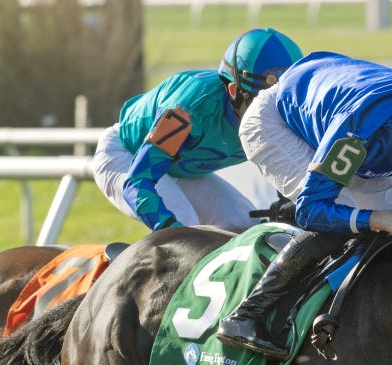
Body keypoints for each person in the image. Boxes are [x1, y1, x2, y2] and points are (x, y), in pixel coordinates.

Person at [216, 53, 392, 360]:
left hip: (343, 125)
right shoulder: (361, 126)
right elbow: (311, 210)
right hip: (278, 122)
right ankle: (246, 314)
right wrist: (380, 219)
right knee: (348, 217)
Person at [91, 28, 303, 232]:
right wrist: (172, 232)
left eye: (280, 102)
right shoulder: (187, 110)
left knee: (244, 226)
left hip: (182, 169)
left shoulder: (286, 114)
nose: (274, 115)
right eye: (262, 102)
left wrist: (287, 203)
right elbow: (137, 182)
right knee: (185, 226)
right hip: (127, 156)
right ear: (233, 91)